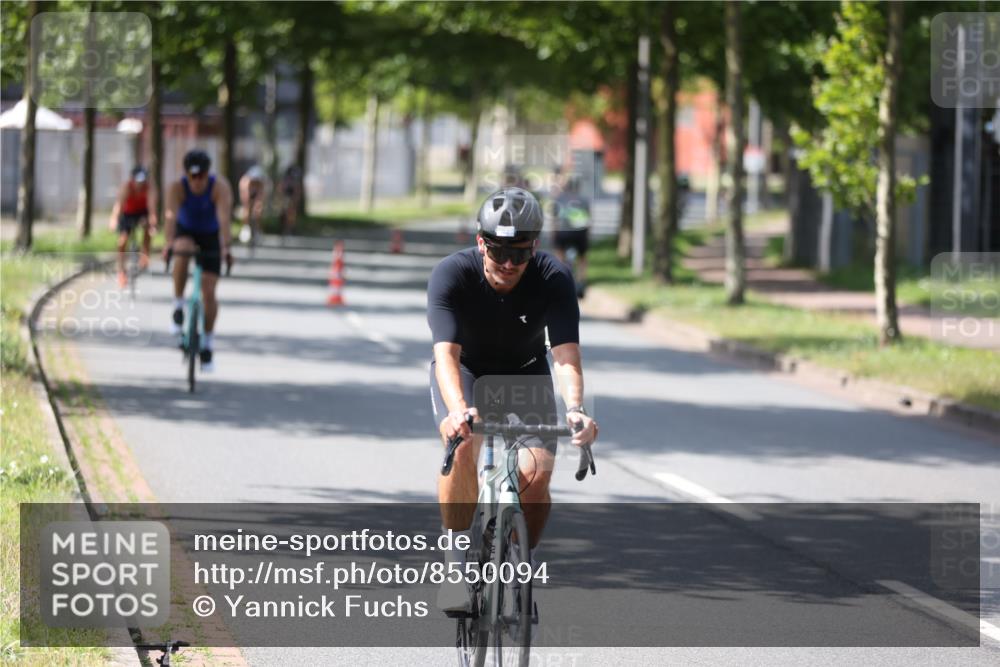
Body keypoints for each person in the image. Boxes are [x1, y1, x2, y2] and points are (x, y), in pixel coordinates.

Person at [426, 186, 599, 612]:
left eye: (518, 254)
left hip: (525, 373)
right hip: (467, 371)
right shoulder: (452, 274)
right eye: (498, 252)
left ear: (534, 247)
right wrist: (455, 412)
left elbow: (565, 355)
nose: (507, 264)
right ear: (480, 242)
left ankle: (523, 562)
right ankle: (454, 564)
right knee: (463, 444)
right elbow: (445, 354)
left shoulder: (554, 278)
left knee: (538, 473)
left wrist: (576, 409)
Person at [162, 149, 233, 372]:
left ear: (207, 174)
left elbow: (223, 219)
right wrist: (168, 244)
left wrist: (226, 247)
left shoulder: (219, 187)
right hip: (186, 231)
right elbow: (171, 216)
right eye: (193, 176)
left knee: (209, 292)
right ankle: (178, 304)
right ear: (186, 175)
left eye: (202, 176)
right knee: (182, 249)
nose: (198, 181)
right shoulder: (176, 187)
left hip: (210, 235)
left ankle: (208, 344)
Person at [109, 166, 155, 287]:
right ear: (133, 180)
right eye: (138, 181)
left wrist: (152, 224)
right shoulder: (126, 187)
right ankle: (121, 272)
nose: (140, 184)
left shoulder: (149, 188)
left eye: (142, 181)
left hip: (142, 213)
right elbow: (118, 205)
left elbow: (152, 209)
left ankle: (145, 255)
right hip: (128, 214)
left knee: (148, 229)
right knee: (122, 242)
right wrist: (113, 220)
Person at [549, 173, 592, 298]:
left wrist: (553, 234)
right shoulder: (584, 200)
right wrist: (587, 235)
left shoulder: (558, 199)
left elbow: (554, 219)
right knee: (582, 258)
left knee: (559, 256)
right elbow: (589, 220)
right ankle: (582, 282)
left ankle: (559, 280)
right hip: (580, 233)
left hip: (563, 232)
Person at [238, 164, 268, 245]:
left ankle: (258, 230)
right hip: (247, 194)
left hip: (256, 194)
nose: (255, 182)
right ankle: (245, 227)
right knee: (246, 209)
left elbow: (261, 197)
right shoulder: (245, 182)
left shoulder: (261, 183)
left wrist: (258, 206)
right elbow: (245, 199)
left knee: (259, 210)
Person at [279, 164, 302, 237]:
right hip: (287, 196)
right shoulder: (286, 179)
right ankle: (286, 228)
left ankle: (290, 228)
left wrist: (295, 199)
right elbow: (282, 188)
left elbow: (297, 190)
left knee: (291, 213)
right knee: (286, 212)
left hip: (291, 197)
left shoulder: (295, 180)